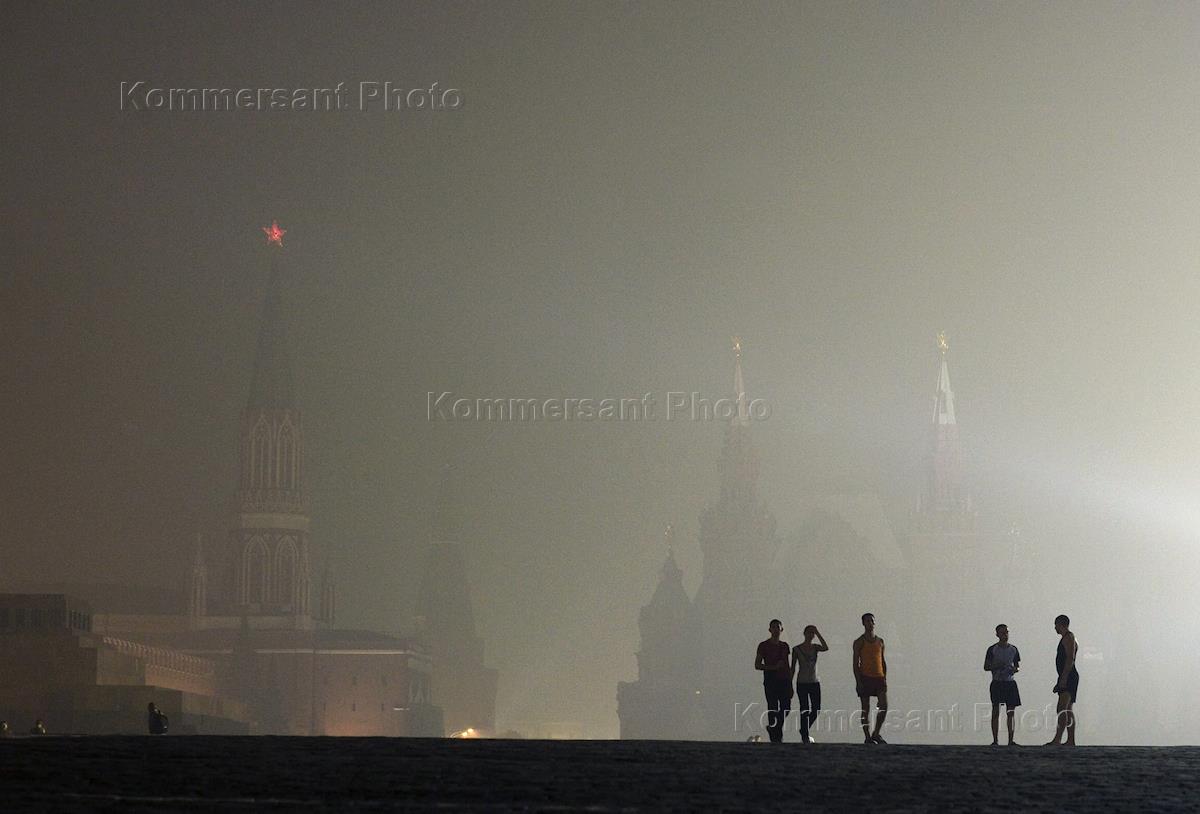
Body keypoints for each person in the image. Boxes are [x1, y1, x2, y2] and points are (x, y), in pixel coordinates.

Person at [754, 619, 792, 743]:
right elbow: (757, 664)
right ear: (770, 630)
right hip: (771, 679)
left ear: (781, 630)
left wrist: (790, 684)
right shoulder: (763, 645)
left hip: (784, 680)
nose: (776, 630)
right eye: (773, 627)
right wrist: (773, 668)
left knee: (785, 707)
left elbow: (787, 666)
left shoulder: (784, 646)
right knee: (773, 707)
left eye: (778, 627)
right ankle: (775, 738)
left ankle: (774, 729)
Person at [852, 613, 888, 744]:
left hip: (879, 677)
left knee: (884, 706)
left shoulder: (880, 641)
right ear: (863, 623)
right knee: (865, 708)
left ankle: (876, 733)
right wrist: (858, 682)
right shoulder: (859, 642)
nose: (870, 623)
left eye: (872, 621)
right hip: (865, 677)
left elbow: (882, 661)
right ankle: (867, 736)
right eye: (867, 621)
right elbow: (855, 663)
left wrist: (885, 678)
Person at [983, 624, 1021, 745]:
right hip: (997, 682)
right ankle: (995, 740)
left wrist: (1014, 669)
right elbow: (986, 666)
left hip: (1010, 682)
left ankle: (1011, 740)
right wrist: (997, 665)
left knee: (1011, 712)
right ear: (997, 634)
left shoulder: (1013, 649)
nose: (1005, 635)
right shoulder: (992, 649)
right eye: (1003, 633)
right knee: (996, 711)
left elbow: (1018, 666)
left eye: (1007, 632)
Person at [1045, 614, 1079, 746]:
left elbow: (1070, 658)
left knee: (1062, 708)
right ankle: (1070, 740)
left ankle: (1058, 739)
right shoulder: (1067, 638)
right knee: (1068, 709)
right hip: (1066, 676)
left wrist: (1064, 678)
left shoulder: (1069, 637)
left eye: (1056, 625)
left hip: (1069, 676)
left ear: (1061, 624)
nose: (1055, 628)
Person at [791, 625, 828, 744]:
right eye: (809, 632)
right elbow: (793, 667)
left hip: (814, 681)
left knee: (816, 709)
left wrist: (818, 632)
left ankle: (804, 729)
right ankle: (805, 736)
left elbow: (825, 647)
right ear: (804, 633)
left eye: (812, 633)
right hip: (802, 682)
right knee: (804, 709)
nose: (811, 635)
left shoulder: (815, 647)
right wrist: (789, 683)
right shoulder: (797, 649)